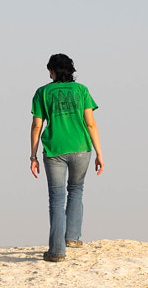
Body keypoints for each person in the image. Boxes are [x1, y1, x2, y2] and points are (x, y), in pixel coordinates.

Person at [28, 53, 104, 261]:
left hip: (55, 150)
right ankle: (72, 237)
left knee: (56, 198)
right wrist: (99, 153)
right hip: (81, 148)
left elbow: (37, 125)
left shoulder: (42, 92)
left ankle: (57, 251)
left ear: (52, 71)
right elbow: (90, 123)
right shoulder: (82, 90)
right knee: (76, 190)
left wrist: (33, 155)